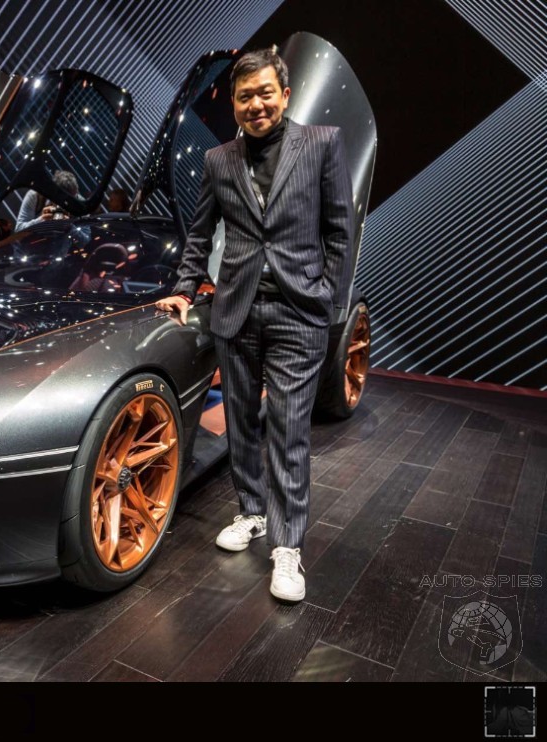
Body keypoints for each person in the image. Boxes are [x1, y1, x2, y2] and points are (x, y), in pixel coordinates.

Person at [154, 48, 354, 602]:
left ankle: (288, 546)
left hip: (297, 313)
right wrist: (184, 289)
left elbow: (340, 231)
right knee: (240, 423)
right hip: (236, 311)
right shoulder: (219, 160)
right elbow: (200, 234)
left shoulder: (322, 144)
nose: (256, 104)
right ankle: (251, 512)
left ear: (284, 95)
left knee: (288, 432)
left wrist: (325, 299)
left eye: (265, 93)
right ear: (234, 104)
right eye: (245, 97)